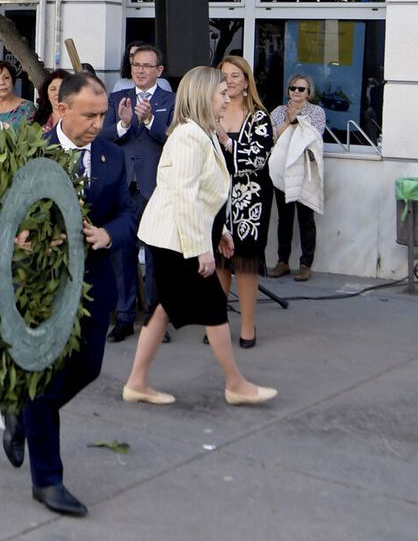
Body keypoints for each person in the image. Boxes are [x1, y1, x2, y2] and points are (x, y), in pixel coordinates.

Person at [0, 73, 134, 516]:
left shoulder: (112, 156)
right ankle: (48, 480)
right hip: (39, 289)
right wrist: (19, 235)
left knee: (88, 370)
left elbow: (128, 214)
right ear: (62, 109)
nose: (99, 123)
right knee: (44, 379)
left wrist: (108, 235)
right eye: (90, 115)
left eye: (104, 114)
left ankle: (23, 412)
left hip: (94, 285)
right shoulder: (28, 150)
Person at [121, 66, 277, 407]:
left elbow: (201, 194)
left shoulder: (200, 133)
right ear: (204, 97)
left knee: (164, 308)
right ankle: (235, 383)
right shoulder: (191, 135)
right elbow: (184, 195)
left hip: (177, 236)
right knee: (211, 307)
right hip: (177, 239)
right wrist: (202, 248)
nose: (227, 97)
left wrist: (218, 231)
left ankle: (137, 382)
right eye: (222, 93)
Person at [101, 44, 175, 341]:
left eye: (147, 66)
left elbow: (173, 138)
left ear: (159, 71)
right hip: (123, 188)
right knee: (122, 253)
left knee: (157, 256)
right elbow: (102, 137)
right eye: (136, 65)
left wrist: (149, 121)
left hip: (155, 188)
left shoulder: (171, 100)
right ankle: (124, 316)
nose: (140, 70)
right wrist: (123, 123)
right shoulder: (117, 98)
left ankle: (156, 320)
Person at [216, 56, 272, 348]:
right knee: (220, 263)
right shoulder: (213, 111)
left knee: (245, 264)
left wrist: (226, 141)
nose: (230, 81)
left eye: (236, 75)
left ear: (247, 81)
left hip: (250, 200)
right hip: (218, 198)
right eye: (224, 75)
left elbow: (257, 158)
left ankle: (247, 327)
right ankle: (216, 324)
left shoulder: (259, 116)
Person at [270, 74, 327, 280]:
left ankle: (305, 264)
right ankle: (282, 261)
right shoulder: (278, 111)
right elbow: (273, 135)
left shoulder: (316, 112)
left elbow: (315, 135)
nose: (296, 92)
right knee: (284, 219)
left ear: (308, 92)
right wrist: (289, 121)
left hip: (305, 171)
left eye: (301, 89)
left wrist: (297, 121)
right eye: (293, 88)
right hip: (283, 170)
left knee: (306, 219)